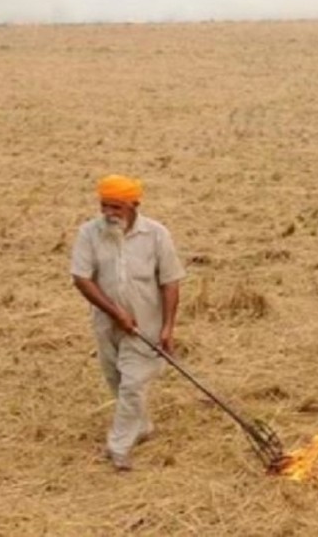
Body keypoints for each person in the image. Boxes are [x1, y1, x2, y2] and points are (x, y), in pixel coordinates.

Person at [70, 174, 186, 471]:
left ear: (134, 205)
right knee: (117, 380)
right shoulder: (89, 233)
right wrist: (115, 313)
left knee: (133, 385)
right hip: (106, 323)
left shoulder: (157, 234)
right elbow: (81, 278)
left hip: (145, 325)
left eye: (117, 207)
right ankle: (142, 426)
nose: (109, 213)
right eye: (104, 206)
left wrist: (168, 327)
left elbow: (170, 282)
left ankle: (118, 446)